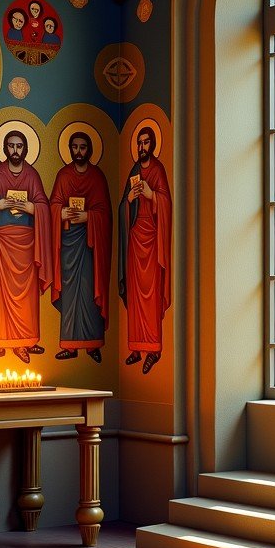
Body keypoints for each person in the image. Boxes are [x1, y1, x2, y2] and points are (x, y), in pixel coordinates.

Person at [0, 130, 52, 363]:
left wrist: (32, 209)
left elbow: (44, 206)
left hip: (26, 245)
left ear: (25, 149)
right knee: (2, 295)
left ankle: (25, 340)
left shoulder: (32, 175)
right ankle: (1, 341)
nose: (15, 150)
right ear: (5, 148)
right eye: (11, 146)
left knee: (26, 297)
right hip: (3, 244)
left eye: (19, 146)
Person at [49, 131, 111, 362]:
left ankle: (93, 343)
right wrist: (61, 212)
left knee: (88, 289)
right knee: (69, 293)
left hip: (90, 245)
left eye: (82, 147)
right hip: (68, 244)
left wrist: (89, 217)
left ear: (89, 150)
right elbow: (52, 204)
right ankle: (69, 344)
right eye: (74, 147)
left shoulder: (97, 177)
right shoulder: (63, 176)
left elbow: (105, 214)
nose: (78, 152)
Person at [118, 126, 172, 373]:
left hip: (152, 244)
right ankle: (136, 347)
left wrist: (151, 195)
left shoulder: (158, 170)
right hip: (134, 240)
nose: (142, 147)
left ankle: (154, 349)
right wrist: (129, 200)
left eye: (146, 142)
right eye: (139, 143)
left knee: (150, 298)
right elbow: (122, 207)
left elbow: (167, 205)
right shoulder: (134, 170)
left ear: (152, 144)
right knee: (136, 297)